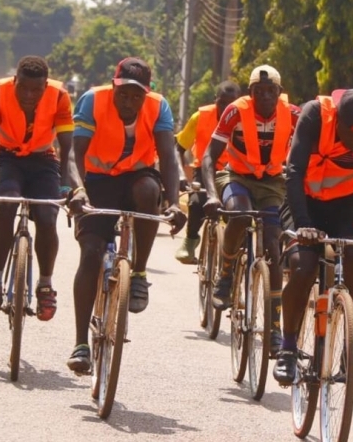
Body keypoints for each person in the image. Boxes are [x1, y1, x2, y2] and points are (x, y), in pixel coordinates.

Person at [65, 57, 187, 373]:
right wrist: (78, 190)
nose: (129, 102)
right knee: (91, 255)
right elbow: (73, 153)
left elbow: (169, 158)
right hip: (97, 181)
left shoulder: (159, 107)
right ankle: (80, 344)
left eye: (137, 96)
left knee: (149, 193)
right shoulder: (93, 100)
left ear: (147, 93)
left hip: (137, 177)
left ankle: (140, 275)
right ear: (113, 85)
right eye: (123, 94)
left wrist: (174, 202)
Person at [273, 87, 353, 386]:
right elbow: (294, 171)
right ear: (337, 118)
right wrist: (302, 223)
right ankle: (287, 348)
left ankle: (351, 346)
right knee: (303, 267)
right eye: (351, 134)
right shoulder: (315, 114)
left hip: (346, 202)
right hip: (305, 202)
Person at [202, 65, 299, 353]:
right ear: (250, 93)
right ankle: (227, 271)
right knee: (240, 215)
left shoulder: (293, 114)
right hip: (237, 176)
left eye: (271, 91)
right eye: (259, 92)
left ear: (280, 93)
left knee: (273, 245)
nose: (265, 97)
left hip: (272, 182)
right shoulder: (235, 111)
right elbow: (210, 156)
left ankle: (274, 327)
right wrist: (210, 195)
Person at [0, 56, 74, 322]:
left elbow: (66, 146)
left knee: (46, 216)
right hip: (8, 158)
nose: (30, 95)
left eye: (36, 90)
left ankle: (45, 286)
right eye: (24, 88)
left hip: (44, 161)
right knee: (6, 203)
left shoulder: (60, 95)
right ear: (14, 80)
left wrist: (65, 184)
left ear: (45, 86)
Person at [173, 81, 241, 264]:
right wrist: (180, 174)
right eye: (222, 102)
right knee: (196, 203)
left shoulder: (247, 118)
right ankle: (190, 241)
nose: (226, 107)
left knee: (240, 210)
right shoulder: (200, 117)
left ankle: (236, 251)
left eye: (231, 103)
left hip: (234, 171)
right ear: (215, 100)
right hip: (204, 169)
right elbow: (177, 148)